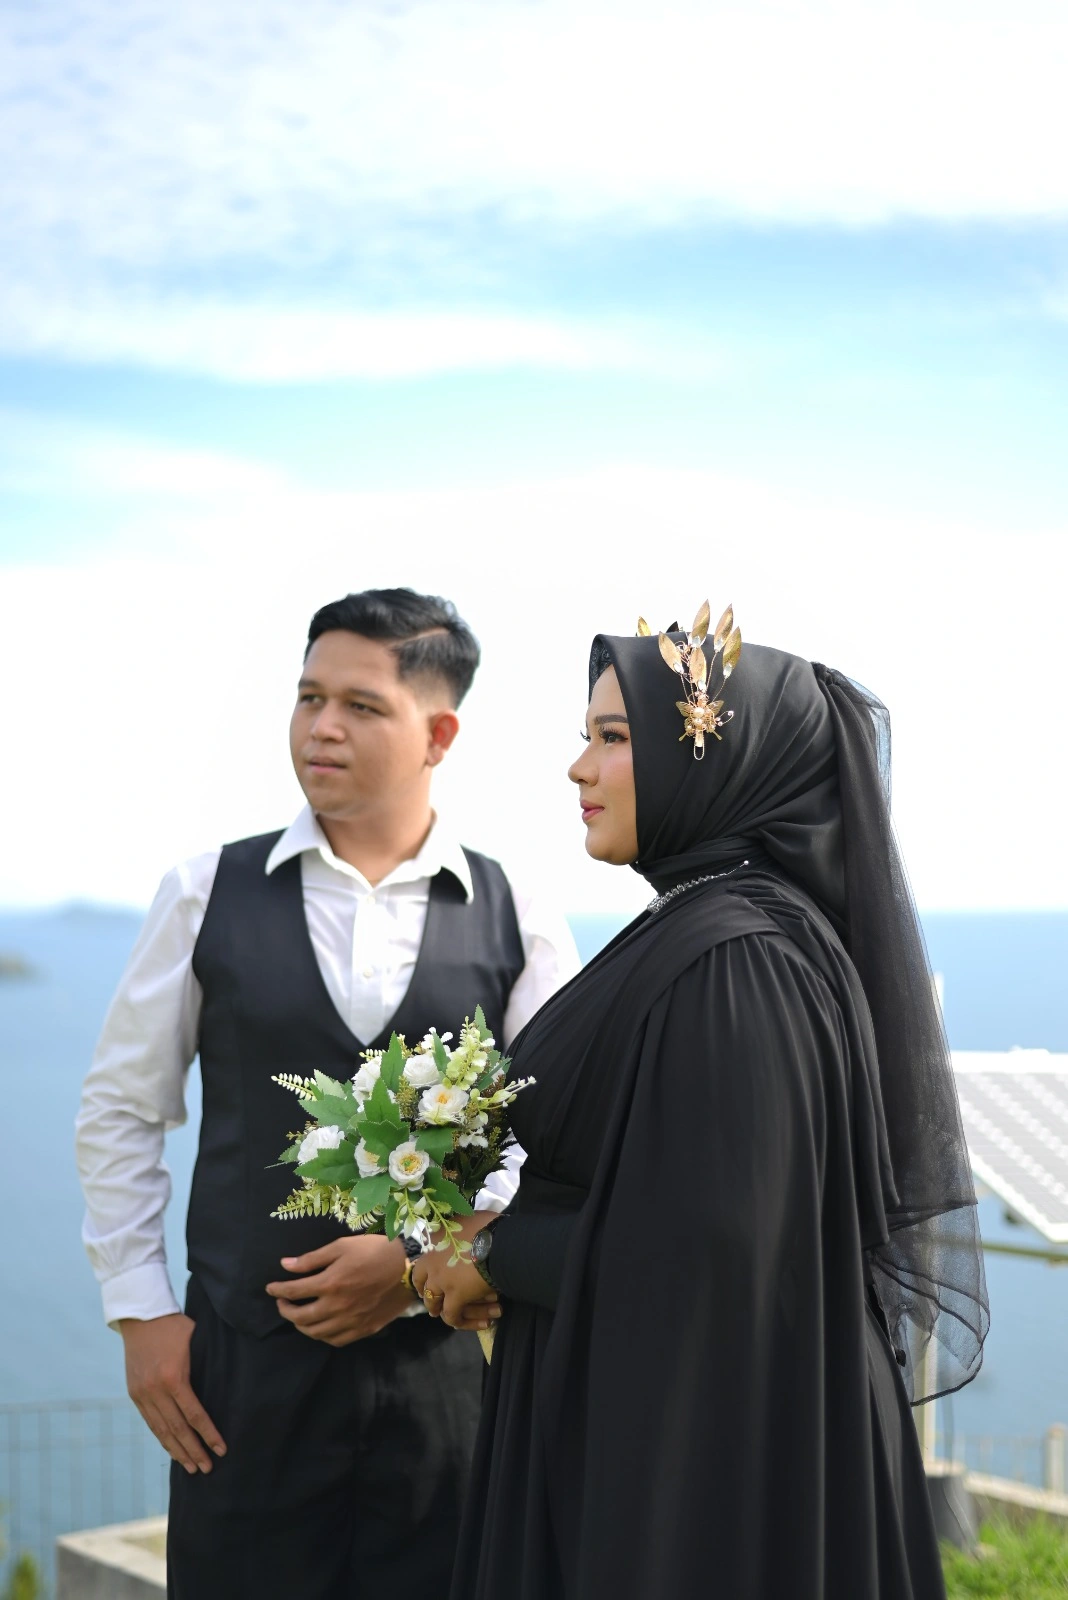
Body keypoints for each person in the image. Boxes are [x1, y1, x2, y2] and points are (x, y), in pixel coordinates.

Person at [416, 606, 988, 1600]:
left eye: (613, 736)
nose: (578, 768)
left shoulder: (742, 964)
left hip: (705, 1485)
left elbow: (712, 1248)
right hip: (678, 1439)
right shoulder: (700, 923)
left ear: (712, 761)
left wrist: (493, 1252)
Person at [75, 587, 580, 1600]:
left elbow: (559, 1137)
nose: (321, 727)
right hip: (239, 1388)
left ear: (439, 734)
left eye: (360, 704)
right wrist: (141, 1315)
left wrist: (422, 1260)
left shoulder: (515, 907)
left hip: (448, 1386)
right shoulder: (202, 890)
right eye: (309, 697)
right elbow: (122, 1110)